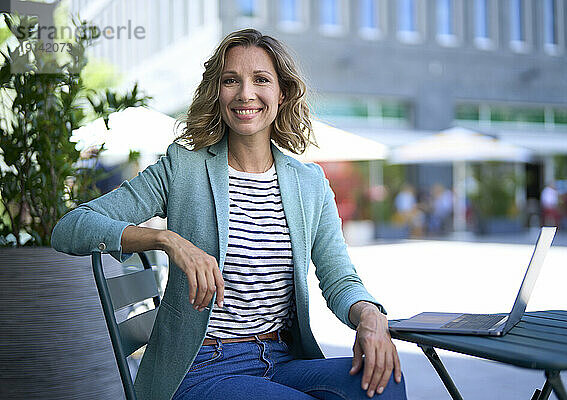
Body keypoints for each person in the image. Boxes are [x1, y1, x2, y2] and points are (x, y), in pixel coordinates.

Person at [51, 29, 406, 400]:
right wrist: (166, 240)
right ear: (217, 92)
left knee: (385, 382)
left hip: (282, 358)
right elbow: (71, 228)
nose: (245, 93)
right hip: (204, 366)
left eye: (261, 80)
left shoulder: (309, 183)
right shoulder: (182, 168)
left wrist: (369, 315)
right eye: (231, 80)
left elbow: (338, 277)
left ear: (282, 93)